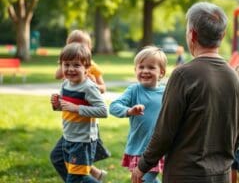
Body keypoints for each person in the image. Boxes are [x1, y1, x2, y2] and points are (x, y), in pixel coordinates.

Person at [131, 2, 239, 183]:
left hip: (185, 174)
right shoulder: (236, 80)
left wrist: (143, 165)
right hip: (221, 175)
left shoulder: (183, 75)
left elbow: (165, 130)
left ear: (192, 34)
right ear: (223, 35)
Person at [50, 42, 108, 183]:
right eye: (67, 65)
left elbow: (103, 111)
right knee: (57, 158)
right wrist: (56, 105)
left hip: (82, 140)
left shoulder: (89, 87)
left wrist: (77, 108)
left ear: (87, 68)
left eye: (76, 65)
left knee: (76, 178)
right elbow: (66, 108)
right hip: (68, 136)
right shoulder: (65, 84)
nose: (70, 69)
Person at [110, 46, 167, 183]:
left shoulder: (166, 92)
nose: (145, 71)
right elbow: (113, 107)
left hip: (157, 149)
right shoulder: (134, 90)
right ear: (135, 70)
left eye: (151, 67)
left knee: (142, 180)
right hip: (138, 147)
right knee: (142, 180)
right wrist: (129, 111)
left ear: (161, 72)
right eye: (141, 67)